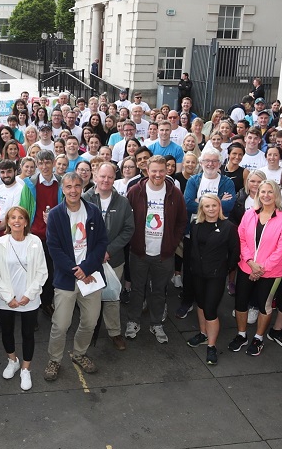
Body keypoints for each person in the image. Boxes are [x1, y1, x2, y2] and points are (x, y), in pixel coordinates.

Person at [44, 173, 110, 380]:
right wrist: (76, 271)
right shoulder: (55, 215)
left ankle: (80, 353)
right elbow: (53, 248)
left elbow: (101, 242)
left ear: (82, 187)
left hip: (90, 277)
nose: (73, 190)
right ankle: (54, 359)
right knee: (61, 324)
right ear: (63, 189)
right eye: (69, 186)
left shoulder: (93, 211)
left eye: (77, 186)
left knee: (90, 321)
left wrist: (87, 268)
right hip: (67, 278)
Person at [229, 179, 282, 356]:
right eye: (262, 192)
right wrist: (250, 262)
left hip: (271, 272)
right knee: (240, 303)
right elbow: (241, 238)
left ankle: (258, 338)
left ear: (276, 195)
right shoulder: (250, 214)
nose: (266, 195)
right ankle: (241, 335)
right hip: (246, 267)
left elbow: (281, 249)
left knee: (265, 306)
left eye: (270, 192)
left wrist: (261, 269)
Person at [125, 156, 186, 343]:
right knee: (137, 289)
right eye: (154, 170)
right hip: (139, 252)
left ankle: (156, 323)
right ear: (147, 170)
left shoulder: (175, 193)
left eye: (162, 170)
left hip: (164, 254)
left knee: (160, 290)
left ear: (167, 171)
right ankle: (133, 321)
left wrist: (172, 243)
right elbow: (127, 220)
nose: (158, 174)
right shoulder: (135, 191)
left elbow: (181, 222)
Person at [0, 206, 48, 391]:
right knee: (7, 332)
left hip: (29, 300)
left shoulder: (36, 242)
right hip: (5, 300)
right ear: (7, 221)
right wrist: (9, 298)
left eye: (20, 218)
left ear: (26, 222)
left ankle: (25, 368)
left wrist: (28, 295)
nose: (16, 221)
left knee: (28, 334)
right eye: (13, 217)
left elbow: (42, 271)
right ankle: (12, 360)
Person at [83, 163, 136, 351]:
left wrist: (109, 250)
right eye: (102, 176)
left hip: (113, 259)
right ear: (95, 176)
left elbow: (129, 229)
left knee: (113, 296)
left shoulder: (123, 202)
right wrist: (96, 253)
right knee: (90, 298)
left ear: (115, 178)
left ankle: (114, 332)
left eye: (110, 177)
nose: (106, 180)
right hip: (90, 260)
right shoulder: (84, 199)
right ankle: (88, 333)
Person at [184, 194, 240, 365]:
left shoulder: (228, 227)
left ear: (219, 207)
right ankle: (203, 333)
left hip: (216, 275)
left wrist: (223, 269)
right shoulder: (195, 225)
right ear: (201, 208)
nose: (210, 209)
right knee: (200, 304)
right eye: (206, 206)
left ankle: (211, 346)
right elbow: (192, 248)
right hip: (198, 273)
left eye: (214, 206)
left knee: (210, 310)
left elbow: (234, 253)